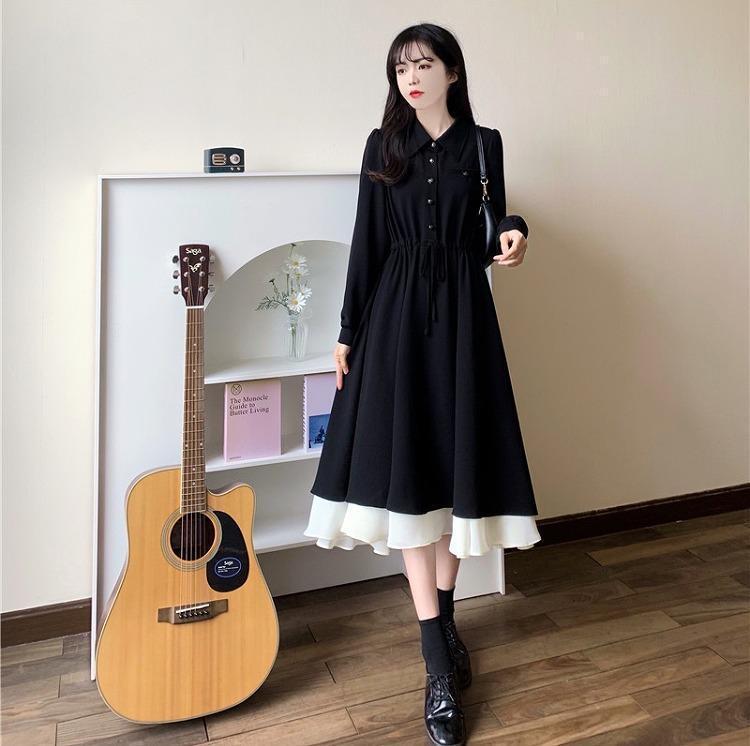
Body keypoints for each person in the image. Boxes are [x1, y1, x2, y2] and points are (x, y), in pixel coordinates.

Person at [304, 22, 541, 745]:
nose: (411, 77)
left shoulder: (484, 144)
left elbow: (492, 224)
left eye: (424, 64)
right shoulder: (383, 147)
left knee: (453, 475)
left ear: (452, 72)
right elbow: (367, 244)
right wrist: (347, 331)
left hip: (465, 319)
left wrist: (514, 231)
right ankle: (437, 659)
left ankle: (447, 622)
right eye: (401, 67)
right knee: (411, 479)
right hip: (397, 321)